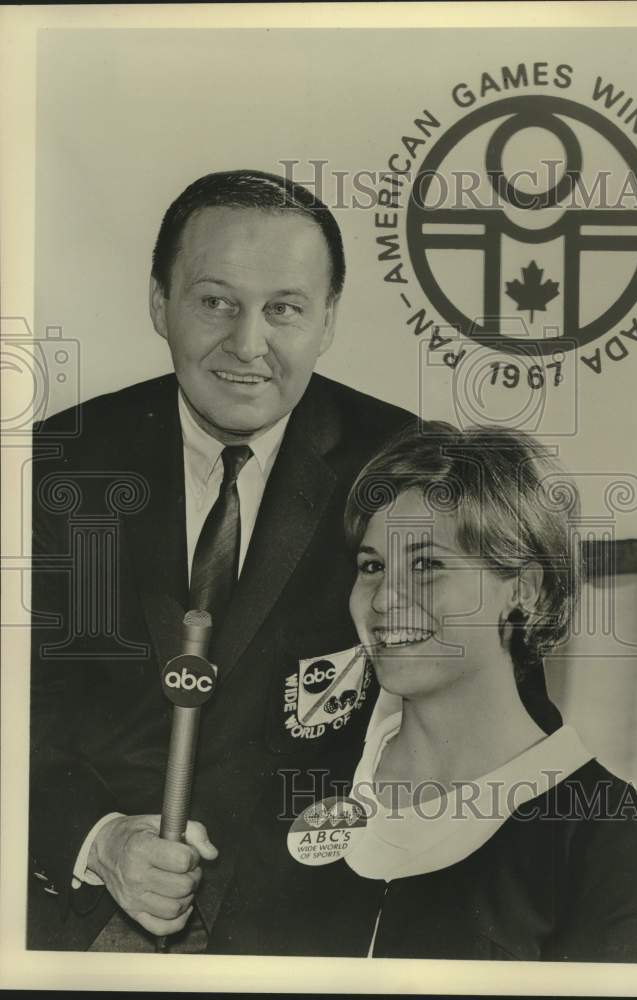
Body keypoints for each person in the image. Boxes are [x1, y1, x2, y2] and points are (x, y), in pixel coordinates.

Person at [28, 169, 413, 951]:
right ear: (158, 302)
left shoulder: (405, 466)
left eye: (285, 309)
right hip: (74, 921)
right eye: (215, 301)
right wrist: (101, 839)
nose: (247, 344)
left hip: (308, 931)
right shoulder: (55, 465)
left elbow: (472, 714)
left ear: (329, 318)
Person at [210, 422, 637, 962]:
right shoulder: (303, 786)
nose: (386, 598)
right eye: (372, 566)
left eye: (427, 565)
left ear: (523, 589)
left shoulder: (605, 831)